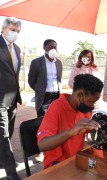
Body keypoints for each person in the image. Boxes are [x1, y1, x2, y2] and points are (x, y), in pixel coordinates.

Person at [37, 74, 103, 169]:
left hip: (75, 159)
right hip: (56, 165)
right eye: (91, 102)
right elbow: (42, 145)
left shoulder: (83, 109)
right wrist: (71, 132)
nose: (92, 106)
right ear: (80, 95)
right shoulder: (56, 107)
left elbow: (89, 128)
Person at [0, 17, 22, 180]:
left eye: (17, 31)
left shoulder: (18, 49)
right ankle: (12, 174)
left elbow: (14, 74)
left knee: (9, 133)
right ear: (4, 28)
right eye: (13, 30)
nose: (15, 33)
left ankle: (3, 161)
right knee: (4, 136)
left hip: (13, 100)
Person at [28, 39, 63, 118]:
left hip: (57, 96)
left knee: (56, 118)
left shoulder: (59, 63)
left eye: (55, 47)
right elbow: (31, 81)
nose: (53, 49)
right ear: (44, 48)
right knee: (42, 119)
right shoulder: (36, 62)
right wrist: (39, 89)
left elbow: (59, 79)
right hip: (44, 97)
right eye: (51, 47)